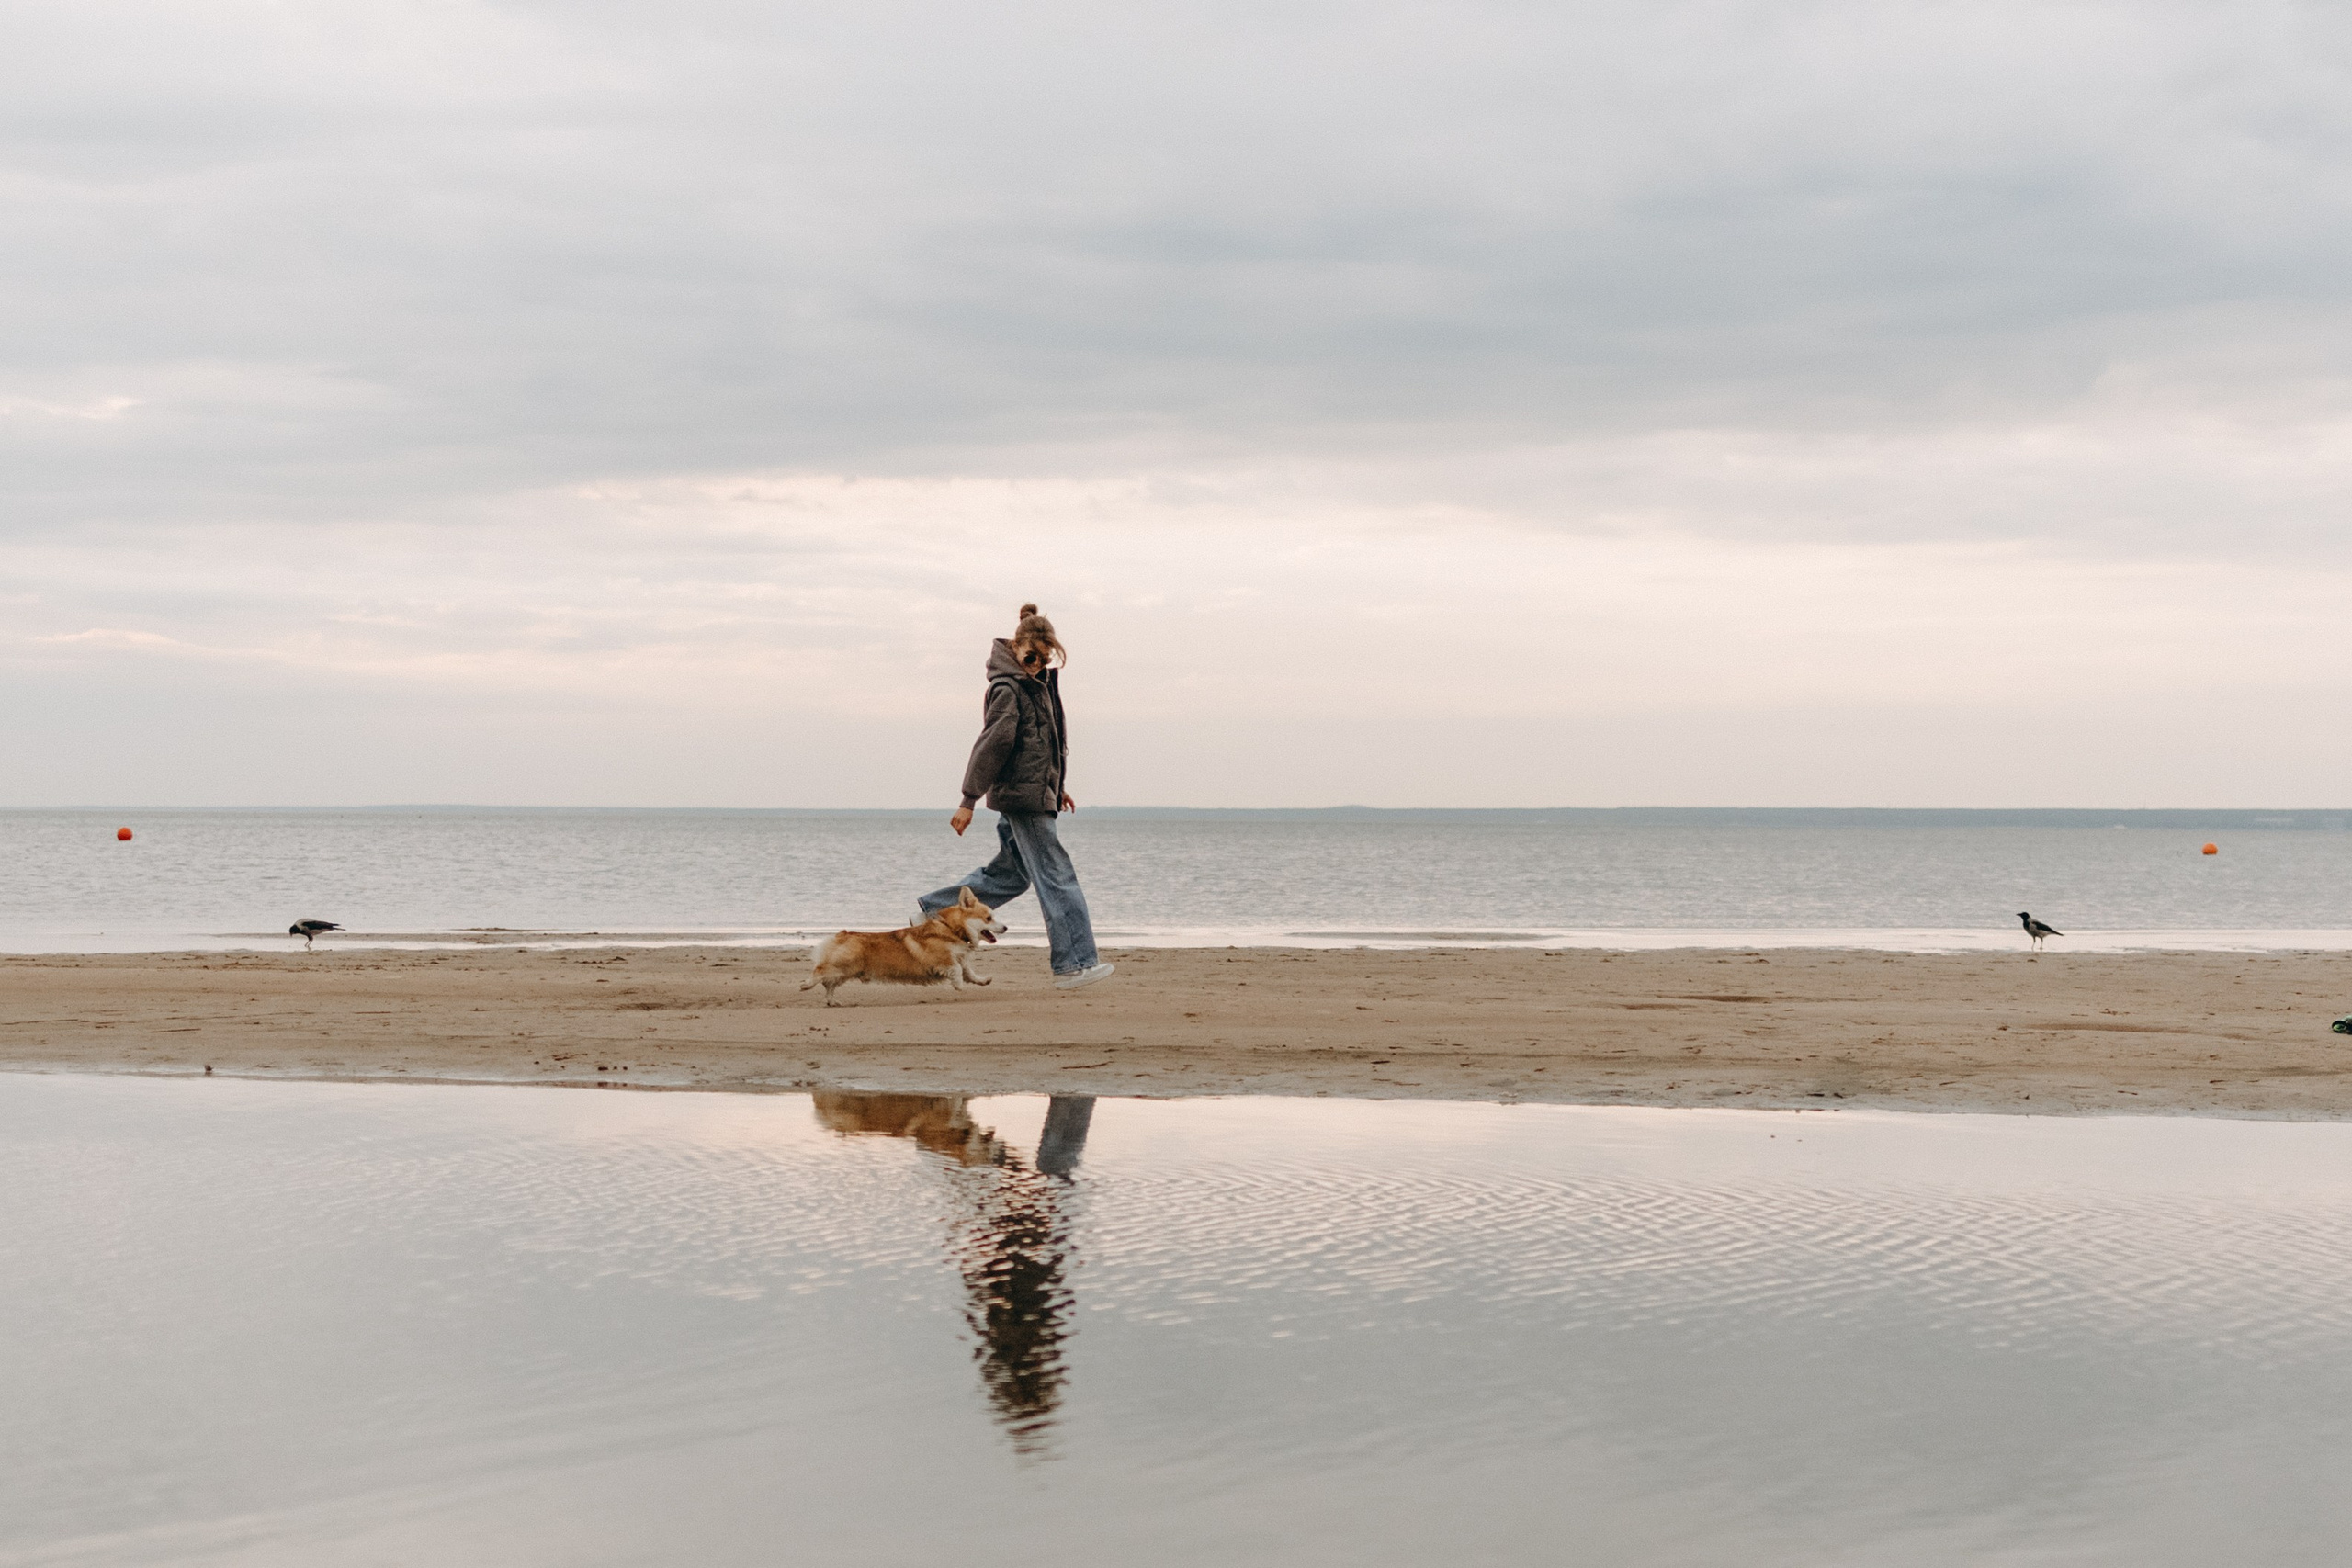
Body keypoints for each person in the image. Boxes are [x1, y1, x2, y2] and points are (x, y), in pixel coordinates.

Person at [917, 604, 1116, 990]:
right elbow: (993, 744)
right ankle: (1074, 965)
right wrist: (968, 799)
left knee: (1012, 875)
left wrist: (1056, 787)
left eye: (1045, 659)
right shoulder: (1008, 689)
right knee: (1057, 877)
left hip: (1033, 794)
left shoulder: (1038, 685)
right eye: (1031, 657)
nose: (1038, 665)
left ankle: (933, 911)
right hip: (1023, 801)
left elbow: (1039, 748)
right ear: (1016, 646)